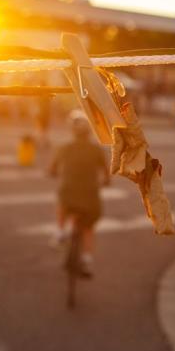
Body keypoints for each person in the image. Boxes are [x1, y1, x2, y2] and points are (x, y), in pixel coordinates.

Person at [50, 110, 109, 276]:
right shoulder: (97, 150)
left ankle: (61, 231)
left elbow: (52, 169)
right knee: (88, 228)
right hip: (90, 198)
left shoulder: (64, 147)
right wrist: (105, 182)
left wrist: (53, 173)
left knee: (62, 200)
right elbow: (106, 174)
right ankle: (87, 259)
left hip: (68, 195)